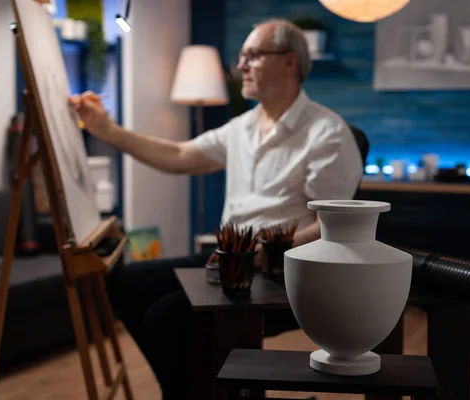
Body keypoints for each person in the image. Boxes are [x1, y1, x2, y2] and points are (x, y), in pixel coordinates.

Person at [70, 18, 363, 400]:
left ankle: (192, 391)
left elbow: (332, 227)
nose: (240, 65)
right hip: (230, 263)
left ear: (290, 62)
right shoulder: (241, 128)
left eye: (253, 56)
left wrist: (261, 254)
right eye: (241, 56)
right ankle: (194, 389)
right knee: (124, 282)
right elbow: (179, 155)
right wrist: (107, 131)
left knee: (167, 317)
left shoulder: (327, 134)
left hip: (286, 276)